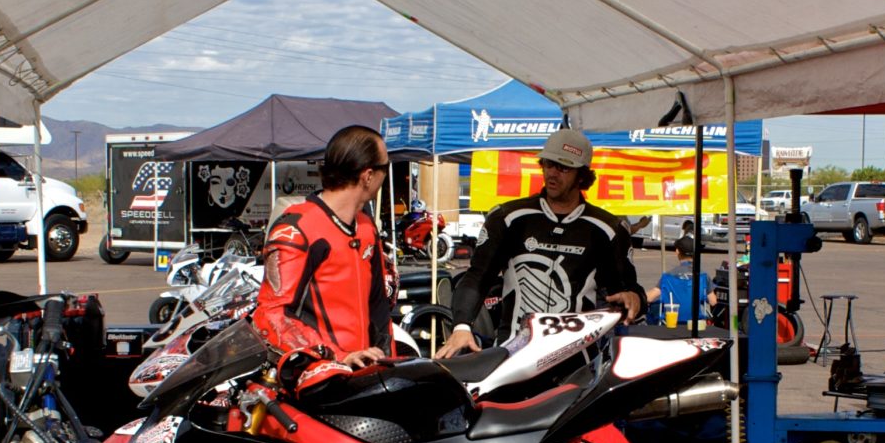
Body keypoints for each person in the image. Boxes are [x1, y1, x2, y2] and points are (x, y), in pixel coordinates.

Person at [438, 130, 645, 356]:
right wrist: (462, 326)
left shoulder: (607, 229)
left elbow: (627, 291)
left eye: (563, 167)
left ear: (582, 175)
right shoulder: (508, 217)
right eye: (548, 164)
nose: (553, 174)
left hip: (575, 358)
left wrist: (633, 298)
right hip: (513, 354)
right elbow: (478, 276)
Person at [251, 125, 395, 390]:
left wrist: (387, 364)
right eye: (386, 167)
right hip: (316, 383)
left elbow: (379, 307)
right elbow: (272, 314)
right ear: (368, 175)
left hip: (363, 378)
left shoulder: (366, 227)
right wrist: (336, 357)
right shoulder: (297, 228)